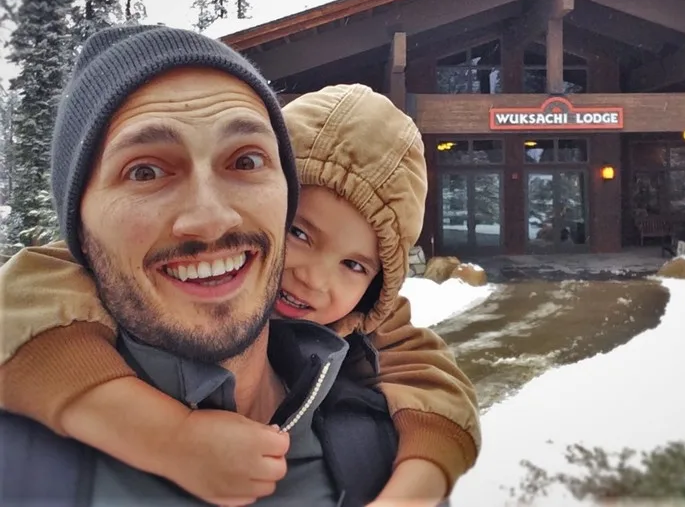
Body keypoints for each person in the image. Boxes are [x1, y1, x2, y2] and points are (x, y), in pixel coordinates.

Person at [0, 25, 479, 506]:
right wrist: (164, 435)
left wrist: (415, 487)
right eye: (144, 171)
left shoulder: (370, 436)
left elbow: (432, 381)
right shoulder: (25, 458)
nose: (211, 220)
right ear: (80, 230)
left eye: (246, 162)